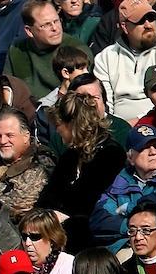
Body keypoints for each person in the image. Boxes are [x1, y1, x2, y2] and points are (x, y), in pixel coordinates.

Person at [36, 92, 128, 252]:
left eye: (58, 125)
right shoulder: (70, 156)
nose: (56, 131)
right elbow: (47, 197)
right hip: (60, 230)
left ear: (73, 124)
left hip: (94, 235)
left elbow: (89, 203)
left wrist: (60, 216)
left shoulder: (111, 155)